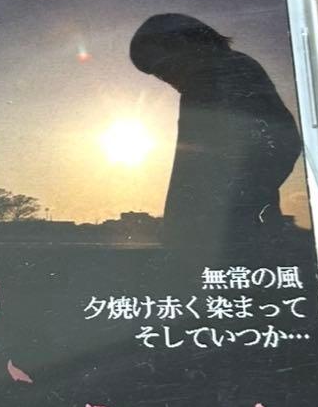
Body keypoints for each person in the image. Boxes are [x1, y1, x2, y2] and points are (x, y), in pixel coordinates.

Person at [129, 13, 302, 249]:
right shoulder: (238, 65)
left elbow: (190, 165)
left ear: (182, 43)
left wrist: (179, 225)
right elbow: (284, 142)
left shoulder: (207, 78)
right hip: (246, 217)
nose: (165, 79)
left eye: (162, 68)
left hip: (222, 228)